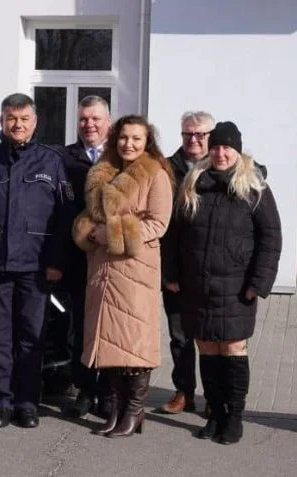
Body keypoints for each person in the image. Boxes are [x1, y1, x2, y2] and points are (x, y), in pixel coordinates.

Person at [0, 93, 72, 428]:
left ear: (35, 122)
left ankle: (27, 403)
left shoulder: (51, 161)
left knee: (31, 337)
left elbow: (66, 215)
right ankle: (1, 402)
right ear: (2, 121)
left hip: (36, 267)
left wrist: (56, 261)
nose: (17, 124)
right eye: (11, 118)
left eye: (23, 119)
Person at [173, 121, 281, 444]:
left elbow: (271, 238)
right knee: (207, 349)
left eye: (227, 147)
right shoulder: (194, 183)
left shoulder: (254, 187)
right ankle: (215, 413)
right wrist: (172, 275)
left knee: (233, 350)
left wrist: (258, 283)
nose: (221, 153)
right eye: (217, 147)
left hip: (236, 288)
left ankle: (234, 418)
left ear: (238, 151)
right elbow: (176, 234)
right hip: (198, 286)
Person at [72, 115, 174, 437]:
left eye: (136, 138)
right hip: (103, 269)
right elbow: (90, 215)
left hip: (135, 268)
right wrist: (88, 230)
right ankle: (116, 409)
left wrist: (113, 233)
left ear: (147, 142)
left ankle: (134, 410)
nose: (128, 144)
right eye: (123, 137)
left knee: (134, 343)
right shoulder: (103, 170)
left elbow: (158, 224)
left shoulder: (156, 174)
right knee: (111, 345)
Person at [158, 111, 215, 414]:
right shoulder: (167, 168)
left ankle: (213, 397)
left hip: (211, 270)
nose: (193, 139)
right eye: (187, 134)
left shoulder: (223, 166)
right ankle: (184, 392)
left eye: (200, 134)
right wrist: (167, 273)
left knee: (210, 338)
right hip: (177, 269)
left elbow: (256, 171)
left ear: (211, 136)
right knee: (180, 337)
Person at [61, 96, 113, 418]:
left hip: (111, 258)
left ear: (108, 121)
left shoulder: (121, 156)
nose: (89, 125)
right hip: (76, 259)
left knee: (107, 327)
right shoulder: (64, 158)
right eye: (83, 119)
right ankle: (84, 390)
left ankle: (107, 392)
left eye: (95, 119)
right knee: (78, 328)